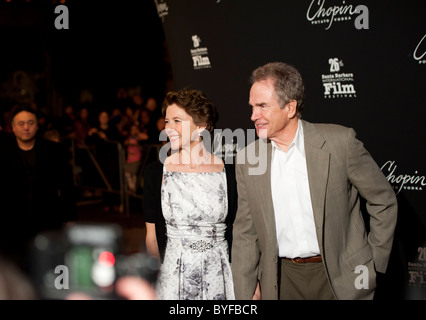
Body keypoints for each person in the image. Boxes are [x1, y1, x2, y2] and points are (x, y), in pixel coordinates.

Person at [231, 62, 398, 300]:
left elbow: (383, 200)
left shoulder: (340, 143)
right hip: (281, 279)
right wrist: (246, 288)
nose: (253, 116)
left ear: (290, 108)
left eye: (262, 106)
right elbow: (246, 233)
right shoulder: (249, 159)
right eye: (252, 107)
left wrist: (373, 262)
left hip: (341, 276)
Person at [143, 89, 237, 300]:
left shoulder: (228, 172)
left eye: (177, 120)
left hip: (221, 275)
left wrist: (249, 282)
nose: (169, 128)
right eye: (167, 121)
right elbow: (151, 237)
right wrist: (155, 282)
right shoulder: (155, 172)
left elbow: (238, 232)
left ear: (201, 126)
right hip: (173, 277)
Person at [0, 104, 76, 272]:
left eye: (30, 122)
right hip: (11, 222)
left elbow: (67, 185)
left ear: (37, 125)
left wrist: (70, 216)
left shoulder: (54, 150)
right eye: (21, 124)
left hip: (48, 219)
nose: (26, 127)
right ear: (12, 127)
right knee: (17, 269)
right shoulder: (3, 152)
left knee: (51, 266)